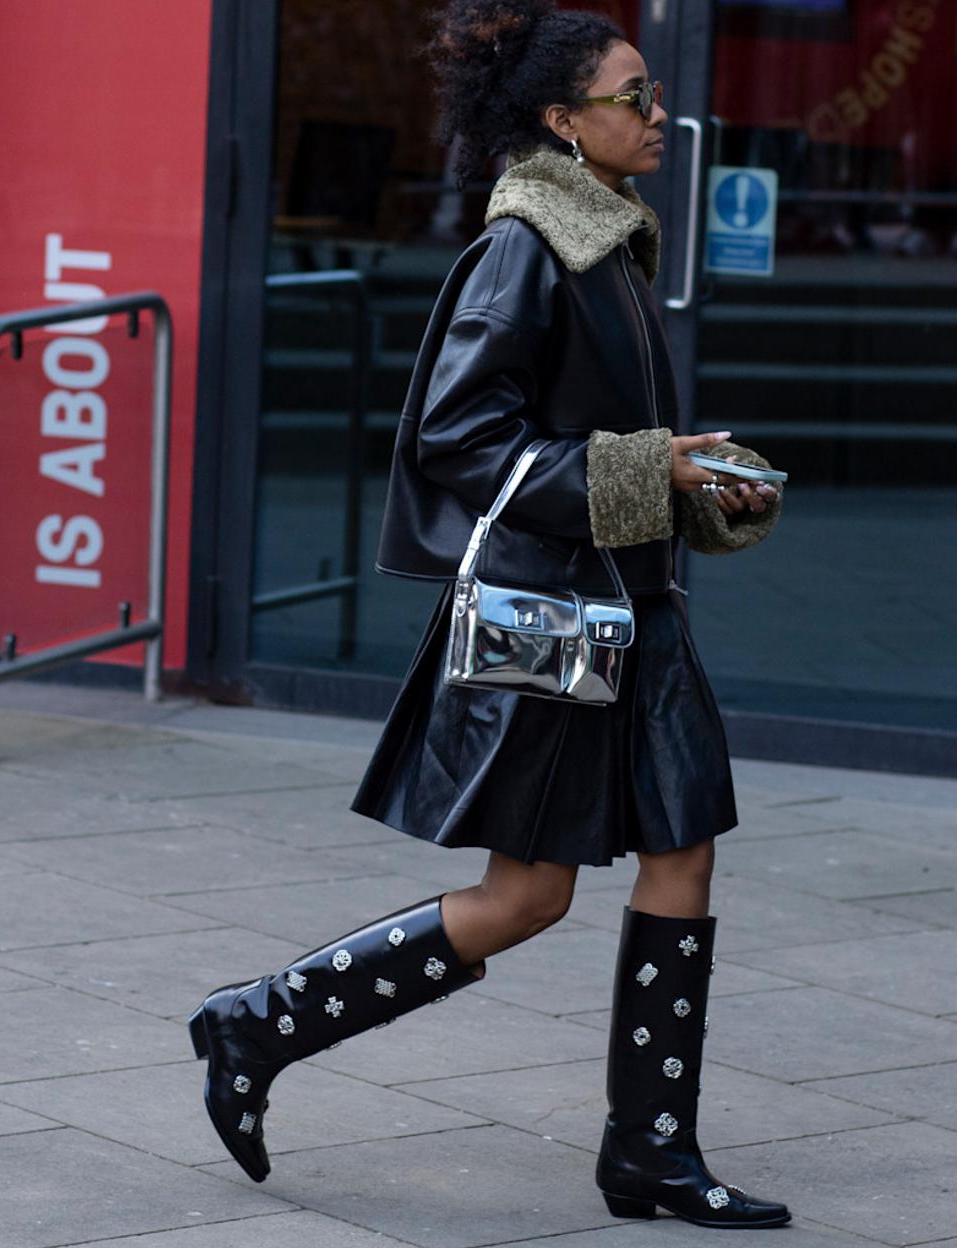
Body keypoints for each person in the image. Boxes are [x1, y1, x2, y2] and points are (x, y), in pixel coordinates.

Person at [188, 0, 789, 1229]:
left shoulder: (609, 241)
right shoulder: (530, 246)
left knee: (683, 847)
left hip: (634, 607)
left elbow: (593, 435)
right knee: (529, 896)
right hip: (565, 620)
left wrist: (684, 475)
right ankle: (256, 1025)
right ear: (563, 124)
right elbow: (459, 436)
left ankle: (650, 1155)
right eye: (632, 97)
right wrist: (642, 473)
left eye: (652, 92)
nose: (657, 112)